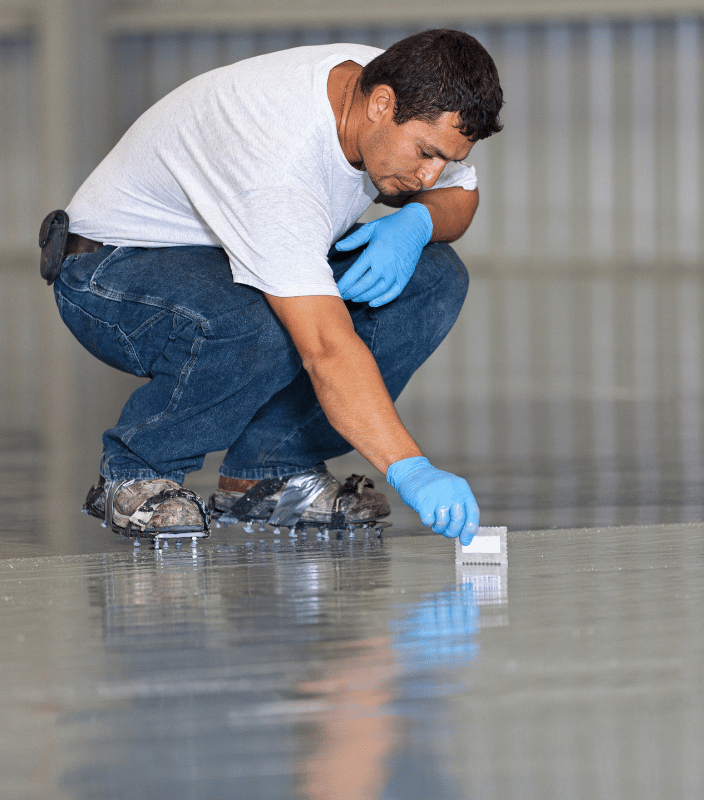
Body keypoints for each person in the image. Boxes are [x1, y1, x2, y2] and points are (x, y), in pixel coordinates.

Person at [43, 29, 504, 546]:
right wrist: (410, 467)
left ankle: (270, 470)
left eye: (445, 159)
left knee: (434, 276)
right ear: (380, 104)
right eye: (425, 154)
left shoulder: (398, 84)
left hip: (223, 251)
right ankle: (135, 473)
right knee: (255, 322)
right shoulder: (278, 160)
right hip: (111, 270)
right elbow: (326, 349)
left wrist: (419, 221)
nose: (430, 176)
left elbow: (461, 196)